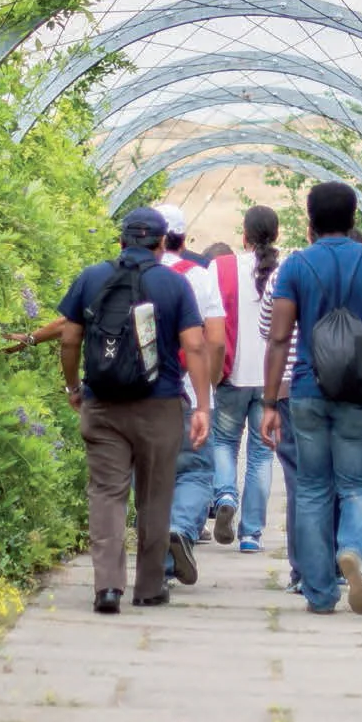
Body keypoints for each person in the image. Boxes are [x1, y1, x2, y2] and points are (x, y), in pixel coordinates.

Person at [261, 182, 362, 615]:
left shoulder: (295, 267)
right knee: (355, 484)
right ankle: (352, 549)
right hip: (360, 392)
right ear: (354, 219)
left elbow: (278, 338)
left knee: (312, 489)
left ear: (310, 222)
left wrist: (266, 404)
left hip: (306, 393)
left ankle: (318, 592)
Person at [57, 207, 214, 615]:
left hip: (103, 403)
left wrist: (74, 386)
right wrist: (202, 405)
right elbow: (195, 346)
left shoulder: (91, 277)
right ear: (162, 244)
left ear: (122, 241)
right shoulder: (174, 284)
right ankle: (148, 586)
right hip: (160, 406)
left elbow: (69, 337)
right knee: (155, 495)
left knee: (107, 494)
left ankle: (107, 587)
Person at [152, 203, 229, 585]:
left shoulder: (135, 273)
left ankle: (160, 568)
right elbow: (215, 341)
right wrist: (208, 388)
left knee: (152, 476)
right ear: (183, 239)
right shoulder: (200, 277)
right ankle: (182, 528)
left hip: (143, 393)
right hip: (188, 394)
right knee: (196, 473)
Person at [207, 207, 283, 554]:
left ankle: (224, 494)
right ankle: (251, 534)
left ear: (244, 235)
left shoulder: (221, 267)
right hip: (271, 380)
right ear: (277, 235)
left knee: (223, 442)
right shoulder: (285, 272)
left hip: (231, 373)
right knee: (262, 455)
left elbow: (210, 321)